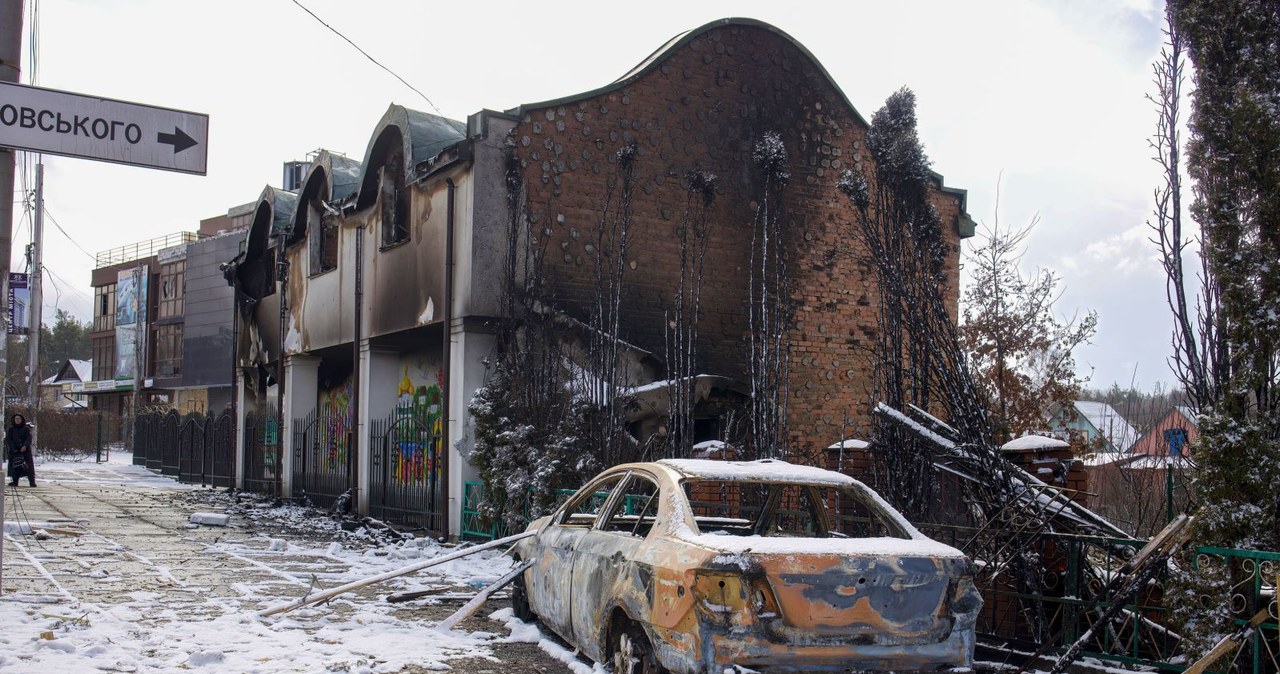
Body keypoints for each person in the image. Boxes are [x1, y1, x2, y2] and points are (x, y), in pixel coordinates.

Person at [6, 413, 35, 487]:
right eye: (16, 419)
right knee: (15, 466)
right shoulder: (11, 429)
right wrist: (13, 448)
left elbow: (29, 438)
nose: (17, 420)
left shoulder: (26, 429)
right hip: (15, 451)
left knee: (28, 467)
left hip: (25, 451)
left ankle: (32, 482)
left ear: (22, 419)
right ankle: (15, 481)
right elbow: (9, 440)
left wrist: (25, 446)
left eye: (19, 419)